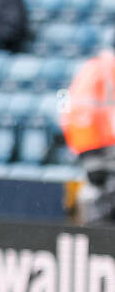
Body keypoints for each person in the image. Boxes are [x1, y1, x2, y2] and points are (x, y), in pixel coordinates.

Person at [60, 45, 115, 223]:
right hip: (101, 143)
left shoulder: (89, 68)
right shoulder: (106, 69)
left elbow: (65, 104)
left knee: (97, 190)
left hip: (88, 142)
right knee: (101, 193)